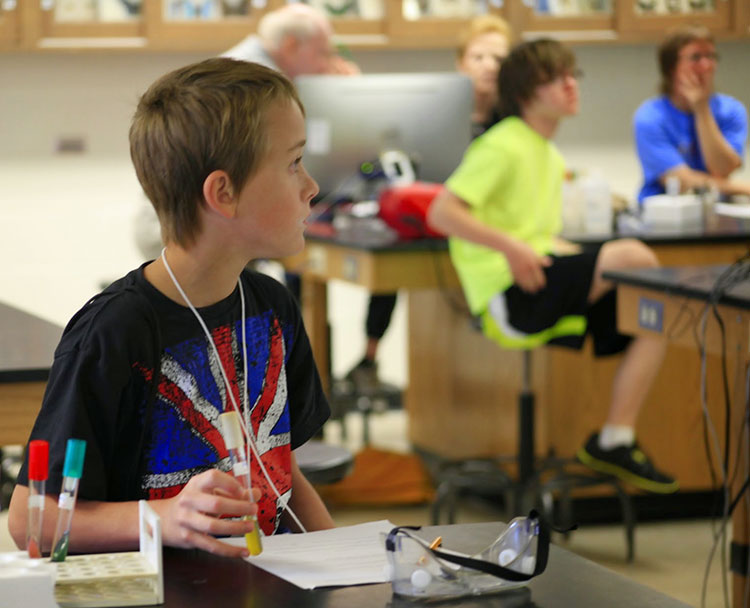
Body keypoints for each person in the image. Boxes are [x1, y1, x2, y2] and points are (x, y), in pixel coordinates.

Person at [8, 58, 335, 558]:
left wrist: (346, 558)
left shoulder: (272, 306)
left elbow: (277, 468)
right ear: (223, 193)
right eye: (293, 163)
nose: (311, 186)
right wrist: (163, 517)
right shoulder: (113, 332)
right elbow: (33, 523)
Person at [427, 38, 678, 494]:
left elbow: (538, 235)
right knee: (635, 256)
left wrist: (547, 250)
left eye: (572, 75)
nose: (570, 85)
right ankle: (613, 439)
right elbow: (442, 212)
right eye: (554, 78)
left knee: (652, 314)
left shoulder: (547, 152)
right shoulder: (503, 144)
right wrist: (513, 249)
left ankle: (615, 439)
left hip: (539, 278)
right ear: (525, 93)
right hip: (510, 294)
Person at [344, 14, 514, 393]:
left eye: (499, 59)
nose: (489, 67)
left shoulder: (513, 123)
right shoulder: (434, 118)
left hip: (485, 225)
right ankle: (369, 356)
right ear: (461, 64)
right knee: (391, 252)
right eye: (480, 57)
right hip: (432, 219)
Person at [633, 24, 749, 203]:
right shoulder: (650, 116)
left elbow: (722, 170)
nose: (707, 65)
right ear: (671, 68)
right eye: (696, 57)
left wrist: (702, 109)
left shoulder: (731, 110)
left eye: (711, 56)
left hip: (718, 214)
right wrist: (741, 187)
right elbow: (680, 181)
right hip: (664, 215)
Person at [222, 2, 358, 76]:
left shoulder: (250, 61)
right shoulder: (259, 80)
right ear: (291, 46)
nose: (326, 65)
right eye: (322, 53)